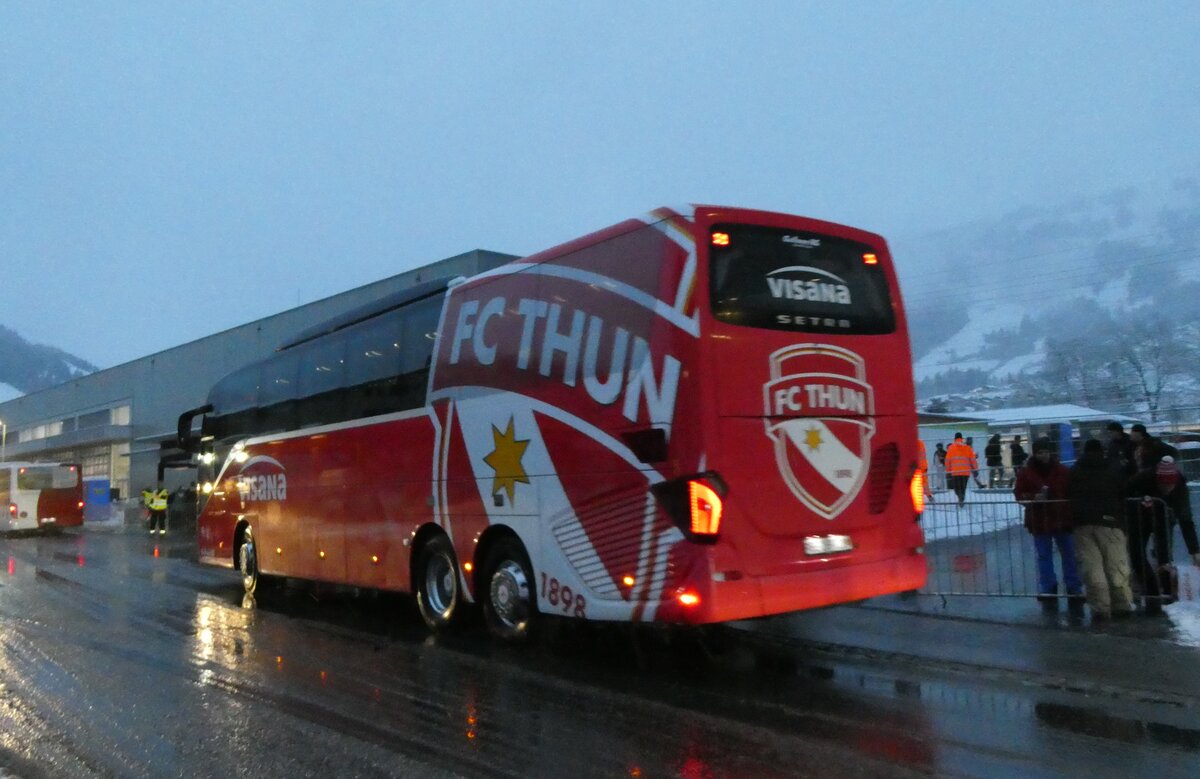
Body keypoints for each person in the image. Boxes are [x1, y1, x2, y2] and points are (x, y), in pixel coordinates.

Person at [1068, 439, 1133, 621]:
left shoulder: (1074, 471)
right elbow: (1124, 492)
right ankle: (1121, 604)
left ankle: (1100, 608)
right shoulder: (1113, 470)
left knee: (1092, 568)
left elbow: (1068, 493)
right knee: (1116, 566)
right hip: (1111, 522)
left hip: (1083, 524)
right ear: (1101, 451)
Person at [1014, 438, 1082, 606]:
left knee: (1069, 555)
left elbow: (1072, 490)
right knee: (1044, 556)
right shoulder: (1026, 473)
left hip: (1061, 518)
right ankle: (1048, 586)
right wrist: (1032, 497)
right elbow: (1019, 494)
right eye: (1040, 452)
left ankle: (1073, 586)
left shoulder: (1062, 470)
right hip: (1040, 519)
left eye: (1045, 451)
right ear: (1035, 453)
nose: (1043, 455)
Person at [1128, 455, 1200, 614]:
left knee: (1164, 555)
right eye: (1163, 486)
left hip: (1165, 518)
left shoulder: (1180, 485)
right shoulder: (1143, 478)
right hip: (1140, 518)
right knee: (1136, 553)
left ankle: (1168, 594)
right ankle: (1151, 588)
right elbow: (1125, 492)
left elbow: (1186, 518)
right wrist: (1138, 502)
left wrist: (1194, 550)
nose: (1167, 489)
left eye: (1170, 486)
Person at [944, 433, 978, 507]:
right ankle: (961, 498)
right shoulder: (968, 448)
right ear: (962, 438)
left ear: (954, 439)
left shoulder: (951, 448)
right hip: (965, 473)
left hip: (955, 472)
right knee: (963, 487)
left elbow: (947, 461)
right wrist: (976, 469)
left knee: (956, 487)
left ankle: (960, 496)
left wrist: (948, 471)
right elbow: (973, 460)